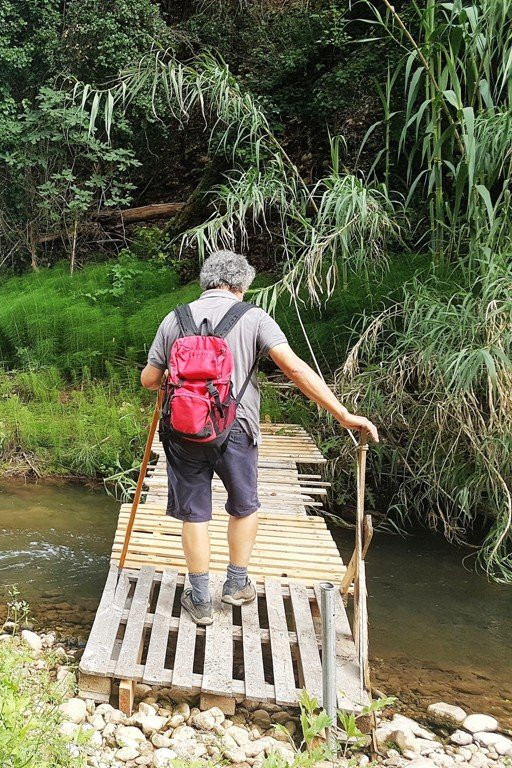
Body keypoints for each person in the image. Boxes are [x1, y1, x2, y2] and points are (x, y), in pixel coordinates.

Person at [139, 249, 378, 625]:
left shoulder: (175, 318)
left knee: (195, 514)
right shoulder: (253, 317)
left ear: (205, 281)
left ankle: (200, 600)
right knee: (243, 506)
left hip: (184, 431)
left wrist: (176, 377)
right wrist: (344, 415)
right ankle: (236, 586)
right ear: (242, 286)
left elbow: (149, 380)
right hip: (237, 427)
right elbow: (295, 369)